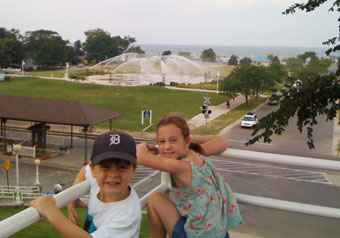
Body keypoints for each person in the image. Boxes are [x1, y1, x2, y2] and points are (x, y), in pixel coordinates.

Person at [137, 115, 243, 238]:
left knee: (154, 199)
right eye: (162, 141)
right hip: (218, 232)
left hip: (197, 235)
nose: (166, 146)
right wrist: (188, 140)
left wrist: (142, 146)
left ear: (186, 141)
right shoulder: (197, 153)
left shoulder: (180, 166)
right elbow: (221, 141)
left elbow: (141, 157)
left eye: (173, 140)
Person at [31, 131, 142, 238]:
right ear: (94, 170)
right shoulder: (99, 181)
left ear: (133, 171)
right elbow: (85, 170)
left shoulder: (128, 216)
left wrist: (50, 210)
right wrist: (73, 199)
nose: (113, 175)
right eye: (105, 166)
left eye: (122, 167)